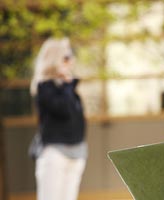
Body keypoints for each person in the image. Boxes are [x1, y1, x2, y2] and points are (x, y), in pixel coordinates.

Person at [30, 37, 87, 200]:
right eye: (66, 57)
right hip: (55, 153)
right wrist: (67, 85)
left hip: (77, 153)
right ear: (54, 60)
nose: (71, 62)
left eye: (71, 57)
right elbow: (63, 110)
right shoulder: (45, 87)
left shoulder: (69, 88)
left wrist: (68, 85)